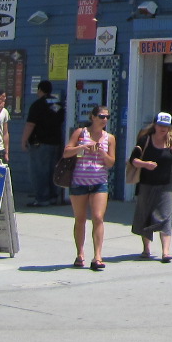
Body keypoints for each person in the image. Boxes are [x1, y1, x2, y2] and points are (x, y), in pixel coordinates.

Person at [131, 112, 172, 262]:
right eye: (160, 125)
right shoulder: (145, 140)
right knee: (145, 215)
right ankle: (146, 249)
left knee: (166, 217)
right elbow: (133, 159)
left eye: (166, 126)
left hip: (166, 184)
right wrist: (145, 164)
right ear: (154, 125)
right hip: (146, 183)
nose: (163, 129)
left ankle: (165, 252)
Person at [63, 105, 116, 270]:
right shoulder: (81, 133)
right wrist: (82, 147)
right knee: (80, 219)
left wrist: (102, 153)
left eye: (107, 117)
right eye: (101, 116)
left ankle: (98, 256)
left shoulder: (109, 138)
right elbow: (66, 152)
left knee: (98, 217)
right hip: (79, 181)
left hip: (99, 181)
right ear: (93, 117)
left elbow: (111, 163)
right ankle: (80, 254)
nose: (104, 120)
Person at [22, 80, 65, 207]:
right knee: (53, 171)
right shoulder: (58, 104)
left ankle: (42, 199)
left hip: (40, 143)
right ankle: (53, 197)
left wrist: (24, 140)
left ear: (40, 90)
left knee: (39, 172)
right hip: (56, 143)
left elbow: (30, 124)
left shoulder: (38, 105)